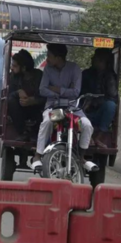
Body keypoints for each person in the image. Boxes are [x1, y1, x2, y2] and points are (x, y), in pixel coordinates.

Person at [30, 43, 98, 172]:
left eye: (49, 56)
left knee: (87, 125)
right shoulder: (48, 69)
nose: (47, 59)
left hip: (72, 108)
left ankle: (81, 157)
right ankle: (37, 155)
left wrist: (56, 89)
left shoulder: (75, 69)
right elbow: (42, 90)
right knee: (46, 122)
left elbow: (76, 92)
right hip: (53, 107)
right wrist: (65, 91)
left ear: (58, 57)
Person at [7, 49, 44, 139]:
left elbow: (46, 96)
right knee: (11, 100)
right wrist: (18, 92)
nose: (12, 68)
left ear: (23, 67)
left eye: (15, 66)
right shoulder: (13, 77)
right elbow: (9, 95)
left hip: (37, 110)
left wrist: (34, 100)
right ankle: (22, 131)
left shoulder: (39, 76)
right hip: (20, 111)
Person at [82, 49, 119, 133]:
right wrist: (85, 102)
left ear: (102, 60)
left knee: (111, 105)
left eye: (95, 57)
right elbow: (79, 93)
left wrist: (94, 102)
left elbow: (113, 97)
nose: (92, 59)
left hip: (100, 112)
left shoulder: (110, 77)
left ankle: (100, 136)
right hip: (84, 111)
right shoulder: (86, 74)